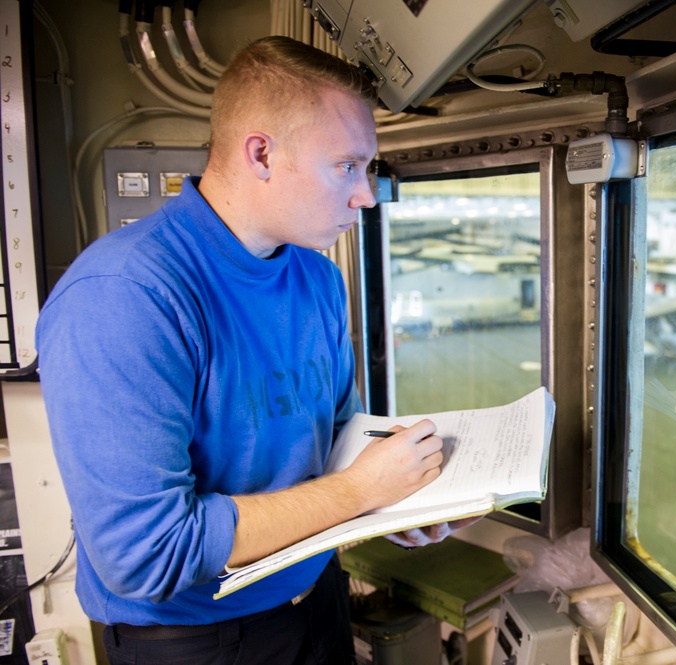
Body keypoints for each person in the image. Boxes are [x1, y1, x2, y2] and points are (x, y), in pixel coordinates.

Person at [37, 35, 474, 665]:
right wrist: (358, 494)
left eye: (369, 168)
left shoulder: (315, 276)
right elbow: (145, 554)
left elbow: (339, 437)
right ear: (262, 153)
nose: (367, 196)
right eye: (348, 166)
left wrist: (399, 501)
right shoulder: (125, 297)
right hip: (198, 642)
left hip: (317, 600)